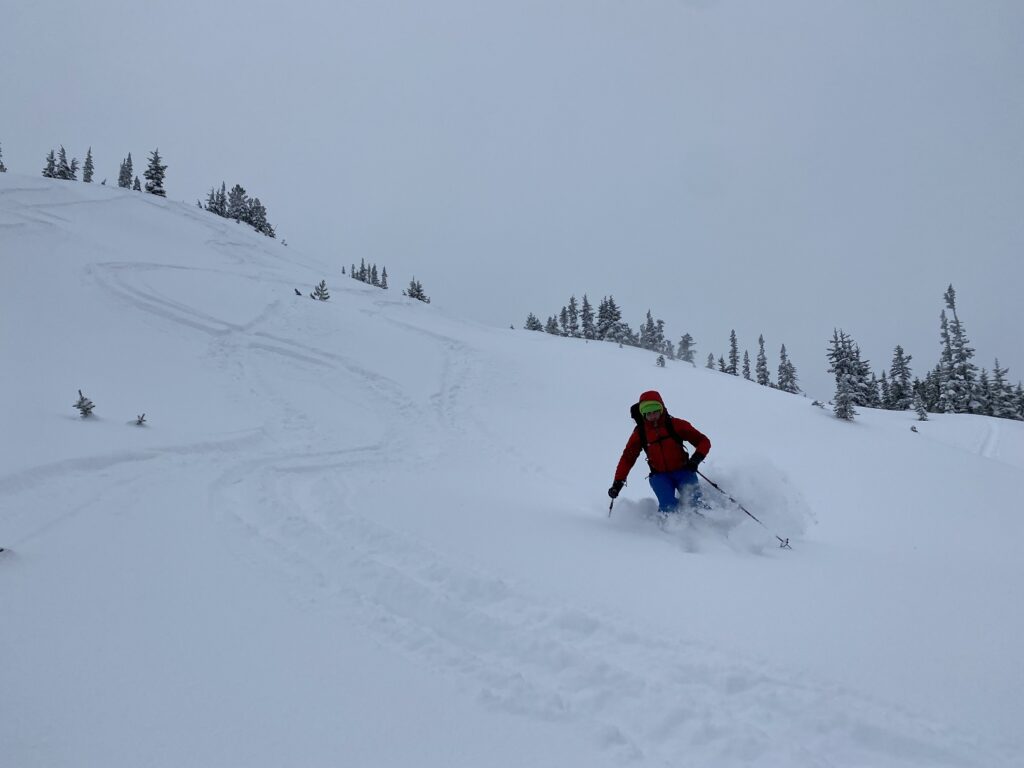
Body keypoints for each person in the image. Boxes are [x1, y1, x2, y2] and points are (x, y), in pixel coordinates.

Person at [608, 390, 711, 513]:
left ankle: (708, 525)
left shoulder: (676, 425)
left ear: (661, 408)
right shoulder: (640, 433)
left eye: (655, 411)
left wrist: (696, 459)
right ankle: (669, 530)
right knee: (668, 506)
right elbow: (627, 458)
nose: (653, 415)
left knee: (696, 503)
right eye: (648, 413)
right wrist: (618, 483)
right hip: (660, 476)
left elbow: (703, 441)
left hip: (684, 470)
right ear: (643, 414)